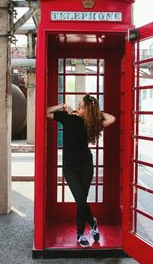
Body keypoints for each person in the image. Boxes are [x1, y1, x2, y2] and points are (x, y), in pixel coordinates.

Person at [47, 94, 116, 247]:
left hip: (86, 165)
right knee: (80, 200)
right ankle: (92, 223)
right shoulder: (67, 117)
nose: (78, 107)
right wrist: (63, 106)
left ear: (89, 111)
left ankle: (80, 234)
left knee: (81, 201)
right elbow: (45, 112)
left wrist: (95, 111)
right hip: (69, 166)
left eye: (82, 107)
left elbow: (112, 119)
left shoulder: (92, 123)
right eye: (78, 105)